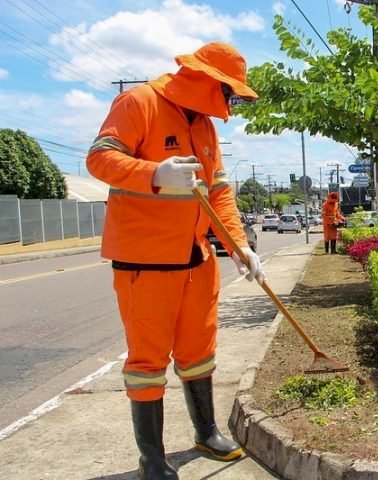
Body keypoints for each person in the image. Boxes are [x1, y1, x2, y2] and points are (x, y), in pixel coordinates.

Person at [86, 42, 265, 480]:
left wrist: (240, 246)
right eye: (229, 93)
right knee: (148, 362)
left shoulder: (203, 126)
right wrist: (153, 174)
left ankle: (205, 431)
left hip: (196, 258)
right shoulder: (139, 101)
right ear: (208, 82)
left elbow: (219, 192)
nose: (230, 103)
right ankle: (152, 458)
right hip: (144, 264)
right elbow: (99, 158)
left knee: (198, 352)